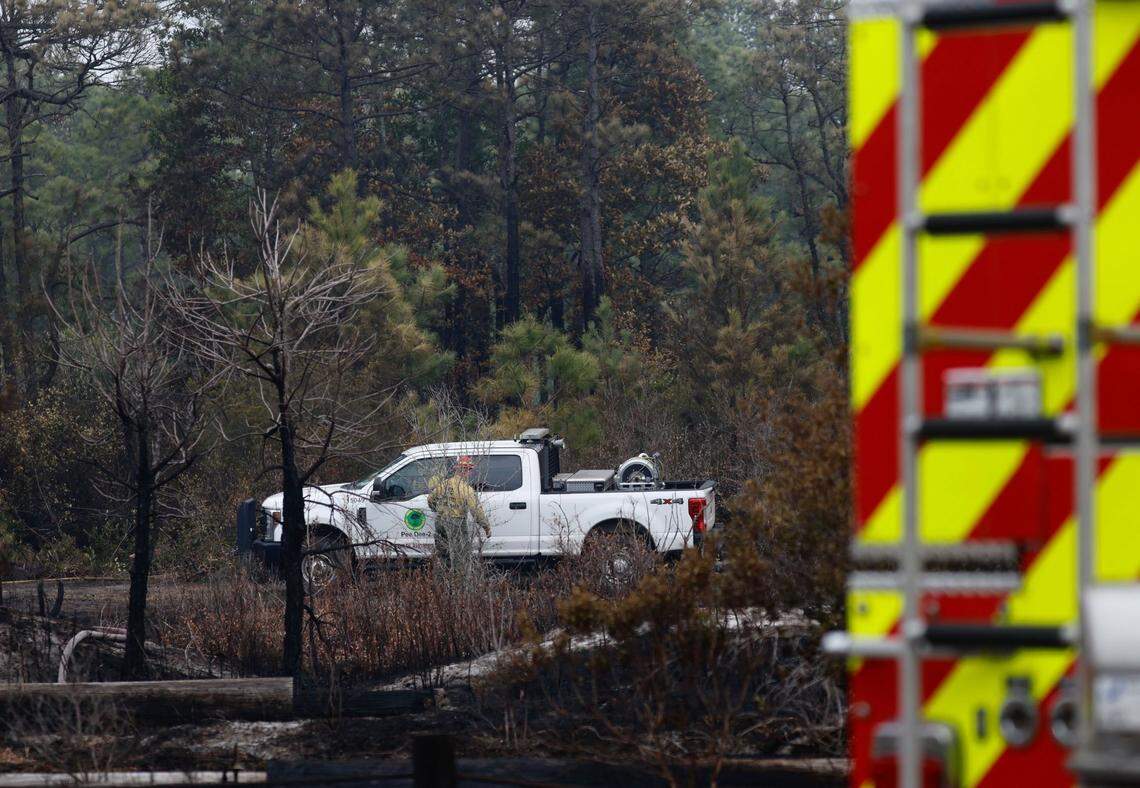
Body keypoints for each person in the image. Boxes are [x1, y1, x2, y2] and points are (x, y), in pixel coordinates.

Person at [427, 455, 491, 576]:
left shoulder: (443, 484)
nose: (469, 473)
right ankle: (459, 585)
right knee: (460, 558)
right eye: (469, 470)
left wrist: (437, 509)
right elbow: (476, 511)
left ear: (456, 469)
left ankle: (442, 584)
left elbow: (430, 500)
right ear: (466, 470)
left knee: (443, 556)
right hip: (456, 523)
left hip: (440, 522)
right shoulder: (466, 489)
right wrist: (486, 526)